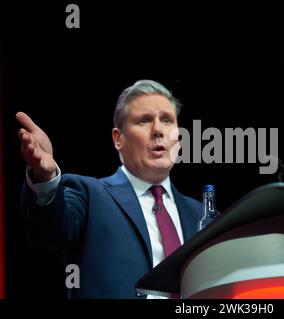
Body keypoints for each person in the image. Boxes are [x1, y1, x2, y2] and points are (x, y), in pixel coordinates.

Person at [16, 80, 202, 298]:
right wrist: (46, 178)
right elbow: (49, 236)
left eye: (167, 120)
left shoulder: (202, 215)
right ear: (118, 138)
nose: (158, 130)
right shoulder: (89, 195)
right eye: (144, 121)